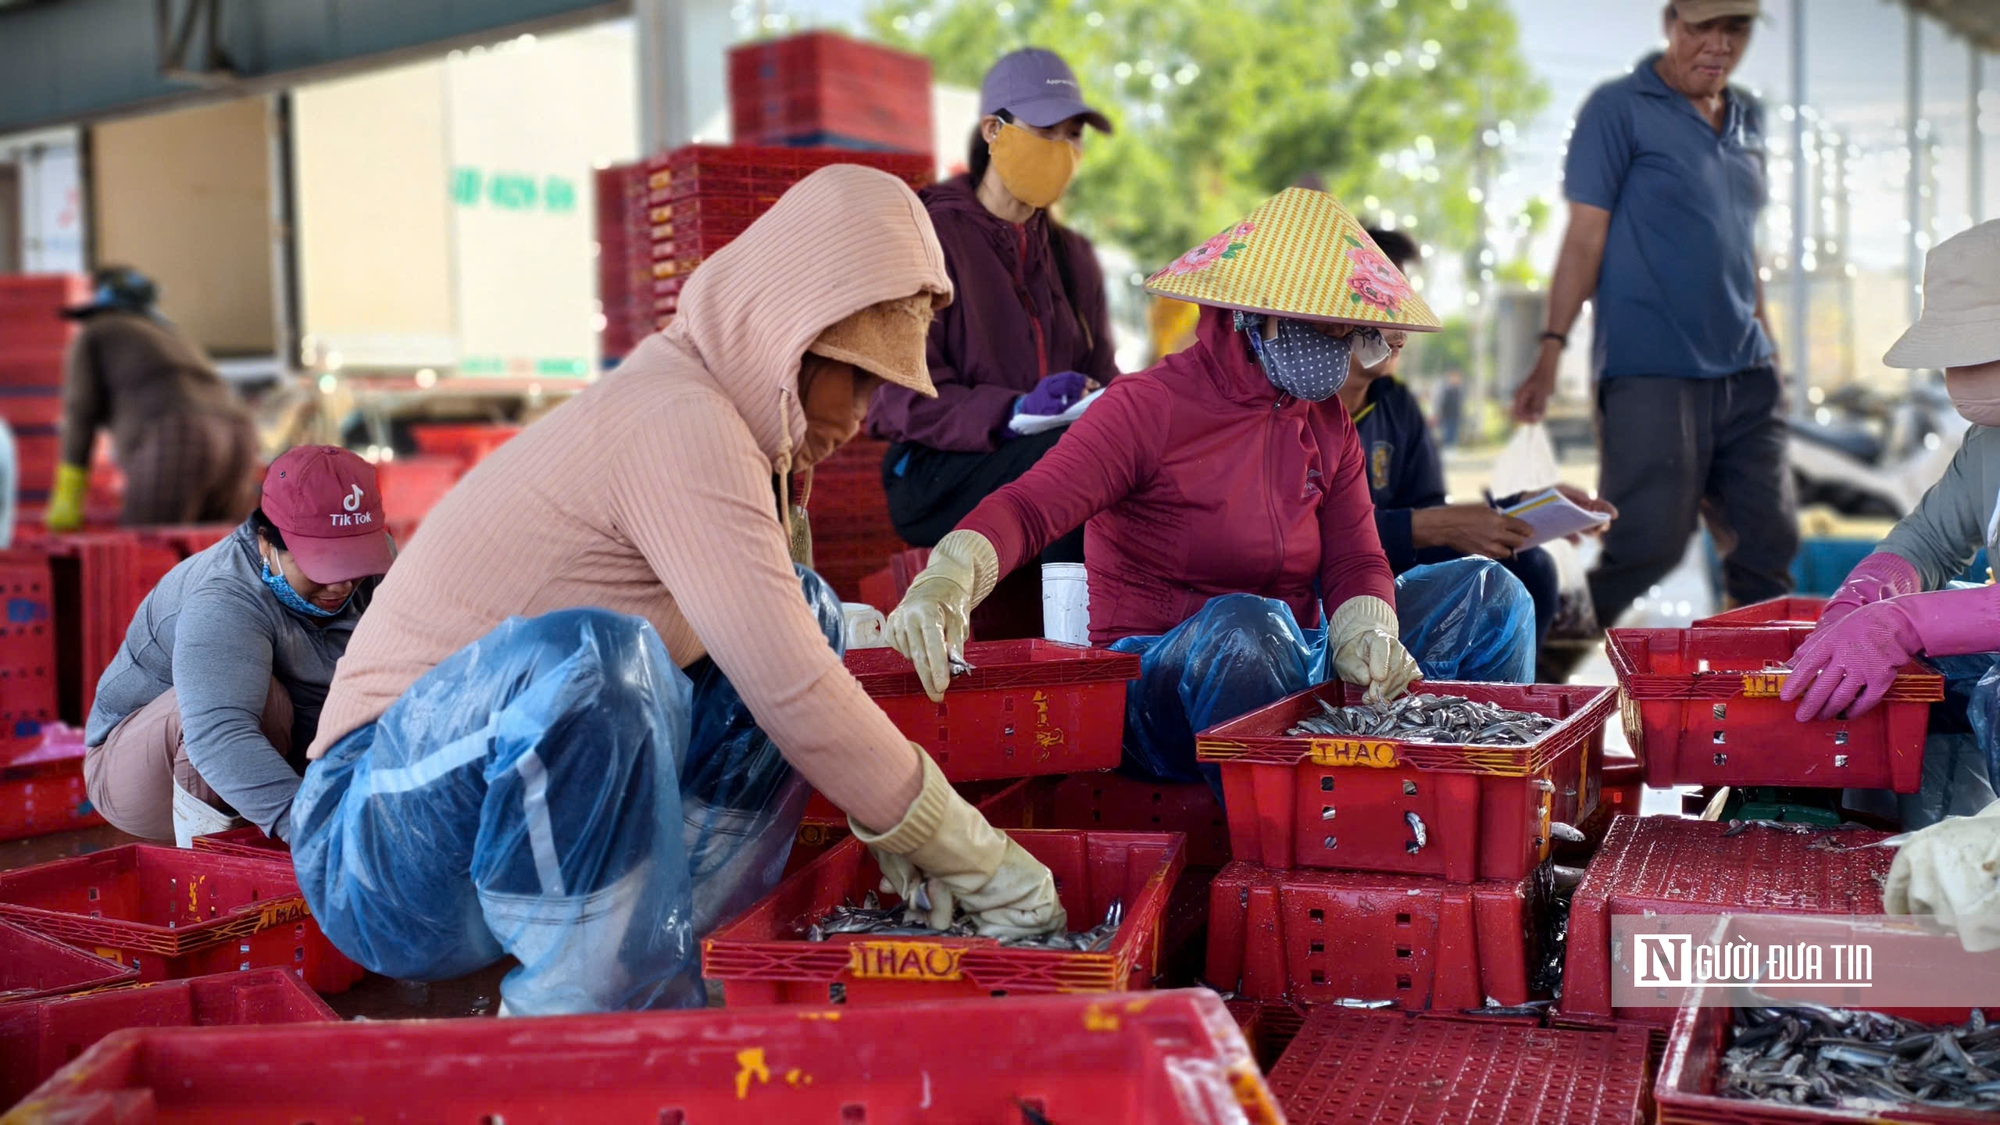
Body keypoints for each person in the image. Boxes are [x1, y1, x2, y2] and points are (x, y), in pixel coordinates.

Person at [293, 167, 1064, 1017]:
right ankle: (575, 1042)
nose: (870, 414)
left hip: (483, 829)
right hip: (376, 845)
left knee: (801, 607)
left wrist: (900, 818)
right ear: (793, 338)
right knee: (596, 661)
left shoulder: (731, 435)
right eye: (863, 377)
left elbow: (783, 650)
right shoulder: (677, 418)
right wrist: (972, 852)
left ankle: (676, 952)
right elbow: (794, 688)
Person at [884, 188, 1538, 787]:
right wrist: (952, 571)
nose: (1340, 350)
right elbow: (1029, 509)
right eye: (1323, 329)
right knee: (1245, 628)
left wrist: (1365, 628)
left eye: (1350, 333)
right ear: (1255, 318)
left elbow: (1357, 555)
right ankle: (1282, 824)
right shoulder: (1149, 406)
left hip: (1295, 664)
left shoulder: (1327, 420)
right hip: (1162, 681)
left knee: (1490, 594)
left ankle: (1464, 796)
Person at [1512, 0, 1796, 627]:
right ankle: (1535, 666)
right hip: (1652, 371)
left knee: (1767, 548)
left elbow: (1739, 243)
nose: (1719, 44)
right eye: (1702, 27)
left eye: (1737, 28)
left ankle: (1758, 704)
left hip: (1748, 372)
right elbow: (1585, 238)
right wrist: (1550, 351)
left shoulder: (1749, 117)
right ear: (1671, 22)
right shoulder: (1617, 110)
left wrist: (1771, 352)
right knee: (1647, 546)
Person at [1783, 221, 2000, 830]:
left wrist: (1907, 620)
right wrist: (1866, 597)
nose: (1961, 374)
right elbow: (1929, 539)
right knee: (1915, 673)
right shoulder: (1990, 443)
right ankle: (1927, 848)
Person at [870, 47, 1119, 564]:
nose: (1063, 148)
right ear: (992, 131)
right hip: (937, 472)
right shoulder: (926, 237)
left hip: (1051, 457)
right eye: (1045, 131)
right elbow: (897, 397)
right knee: (1079, 460)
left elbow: (1105, 376)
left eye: (1073, 134)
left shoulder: (1074, 258)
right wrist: (1013, 410)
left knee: (1128, 454)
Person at [81, 445, 392, 847]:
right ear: (266, 544)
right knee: (259, 702)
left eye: (352, 560)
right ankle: (210, 874)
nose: (340, 584)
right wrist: (323, 834)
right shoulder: (225, 597)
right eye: (322, 564)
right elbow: (219, 735)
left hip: (285, 750)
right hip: (145, 767)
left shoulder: (375, 570)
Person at [1342, 229, 1614, 656]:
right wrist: (1431, 526)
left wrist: (1522, 510)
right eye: (1385, 303)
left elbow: (1430, 513)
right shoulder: (1302, 408)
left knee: (1528, 566)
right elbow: (1304, 535)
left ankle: (1502, 710)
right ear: (1338, 308)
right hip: (1339, 585)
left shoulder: (1397, 406)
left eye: (1409, 306)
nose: (1402, 328)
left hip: (1394, 567)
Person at [46, 266, 260, 531]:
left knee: (148, 553)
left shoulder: (96, 331)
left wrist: (68, 495)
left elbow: (80, 413)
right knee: (222, 558)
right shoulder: (171, 334)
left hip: (181, 434)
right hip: (241, 436)